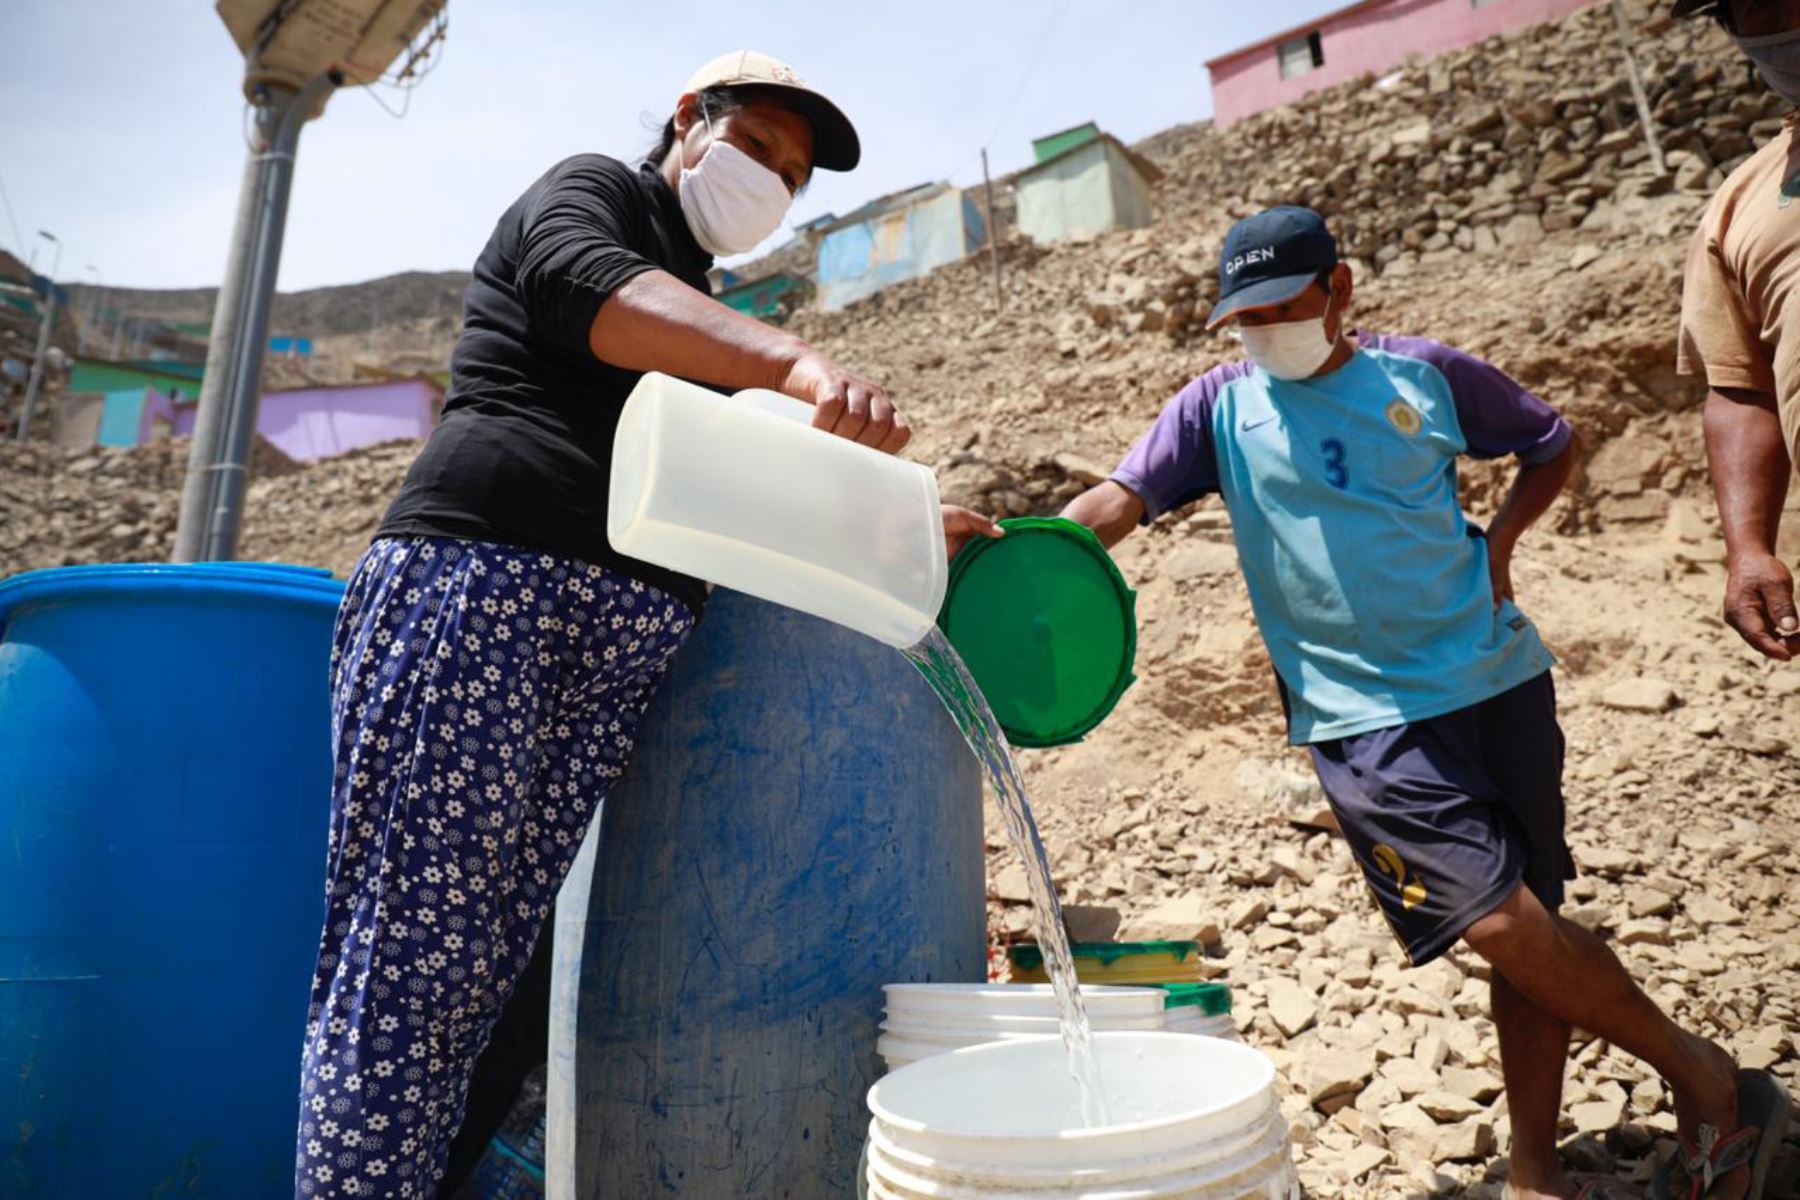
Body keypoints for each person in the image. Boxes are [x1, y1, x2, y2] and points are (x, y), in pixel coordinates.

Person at [292, 51, 999, 1199]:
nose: (771, 178)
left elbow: (753, 499)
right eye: (758, 148)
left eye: (794, 174)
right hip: (487, 588)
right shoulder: (598, 201)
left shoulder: (707, 322)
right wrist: (794, 360)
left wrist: (907, 526)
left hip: (602, 645)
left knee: (500, 985)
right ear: (689, 121)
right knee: (411, 976)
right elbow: (591, 293)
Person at [1061, 207, 1790, 1200]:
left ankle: (1535, 1171)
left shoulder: (1425, 374)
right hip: (1360, 715)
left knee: (1532, 923)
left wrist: (1499, 546)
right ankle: (1704, 1074)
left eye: (1285, 306)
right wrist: (1021, 554)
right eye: (1247, 316)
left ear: (1341, 290)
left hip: (1497, 681)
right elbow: (1113, 503)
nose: (1266, 328)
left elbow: (1550, 441)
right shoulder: (1218, 408)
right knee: (1496, 924)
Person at [1676, 0, 1800, 665]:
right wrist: (1748, 546)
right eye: (1746, 7)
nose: (1776, 21)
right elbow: (1741, 387)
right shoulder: (1737, 203)